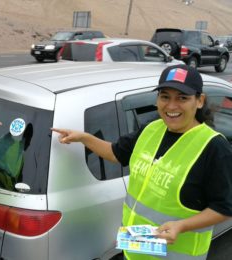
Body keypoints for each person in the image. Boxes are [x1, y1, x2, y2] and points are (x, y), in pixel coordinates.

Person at [52, 64, 232, 259]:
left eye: (182, 98)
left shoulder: (214, 147)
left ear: (199, 101)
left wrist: (182, 225)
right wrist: (84, 137)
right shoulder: (152, 129)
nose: (171, 106)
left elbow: (225, 208)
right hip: (135, 248)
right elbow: (116, 153)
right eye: (165, 96)